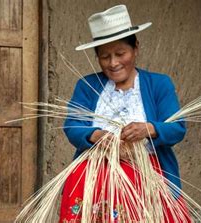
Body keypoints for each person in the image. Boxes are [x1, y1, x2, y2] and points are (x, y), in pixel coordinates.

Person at [59, 5, 190, 222]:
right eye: (104, 56)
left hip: (147, 177)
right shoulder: (86, 85)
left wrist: (148, 129)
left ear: (136, 48)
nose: (113, 63)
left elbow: (177, 128)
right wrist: (96, 136)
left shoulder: (159, 84)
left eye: (121, 53)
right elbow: (72, 125)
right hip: (94, 177)